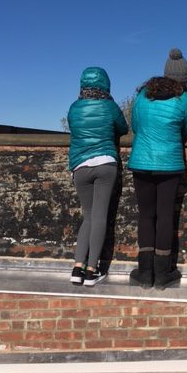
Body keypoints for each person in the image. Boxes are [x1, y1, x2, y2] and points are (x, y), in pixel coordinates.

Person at [128, 48, 187, 290]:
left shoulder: (142, 96)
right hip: (169, 164)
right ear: (185, 79)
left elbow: (135, 126)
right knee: (166, 216)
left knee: (146, 216)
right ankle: (163, 272)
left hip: (141, 162)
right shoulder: (184, 99)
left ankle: (145, 273)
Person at [68, 67, 129, 286]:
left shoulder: (74, 108)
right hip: (105, 162)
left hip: (80, 165)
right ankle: (92, 270)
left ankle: (77, 268)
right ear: (106, 84)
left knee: (88, 216)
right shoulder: (110, 107)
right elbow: (123, 128)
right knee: (100, 216)